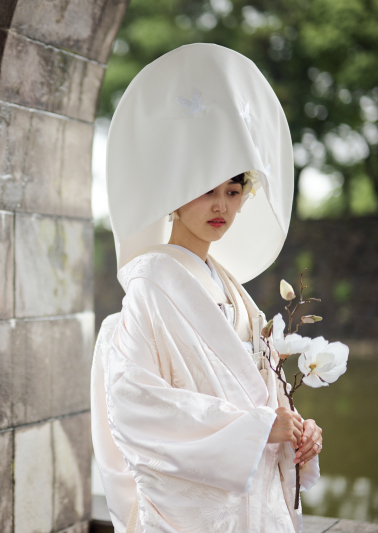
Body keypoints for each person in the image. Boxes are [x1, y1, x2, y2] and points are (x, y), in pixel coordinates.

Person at [91, 44, 323, 533]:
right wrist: (257, 429)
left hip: (252, 500)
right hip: (194, 512)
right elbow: (132, 402)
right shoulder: (152, 284)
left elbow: (260, 393)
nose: (221, 206)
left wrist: (296, 429)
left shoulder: (234, 290)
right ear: (172, 193)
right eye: (206, 189)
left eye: (233, 191)